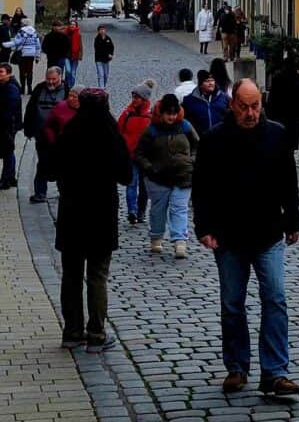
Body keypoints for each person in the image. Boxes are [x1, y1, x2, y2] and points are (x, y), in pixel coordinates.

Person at [192, 79, 299, 396]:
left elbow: (288, 182)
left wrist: (292, 219)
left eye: (256, 106)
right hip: (228, 236)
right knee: (232, 305)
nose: (251, 113)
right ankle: (237, 367)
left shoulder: (276, 135)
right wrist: (204, 227)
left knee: (276, 299)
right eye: (245, 107)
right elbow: (203, 189)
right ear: (232, 104)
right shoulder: (214, 140)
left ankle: (275, 372)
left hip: (268, 233)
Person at [50, 87, 132, 352]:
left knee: (71, 275)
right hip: (100, 213)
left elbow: (50, 169)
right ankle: (96, 333)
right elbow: (126, 175)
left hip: (72, 212)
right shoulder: (109, 133)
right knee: (97, 275)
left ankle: (72, 331)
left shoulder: (70, 132)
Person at [134, 94, 198, 258]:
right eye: (168, 113)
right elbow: (139, 153)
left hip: (183, 175)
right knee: (158, 209)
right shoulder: (152, 130)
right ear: (161, 113)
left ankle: (180, 241)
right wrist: (149, 167)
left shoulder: (185, 126)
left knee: (179, 208)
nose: (171, 117)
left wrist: (191, 161)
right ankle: (156, 237)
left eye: (174, 113)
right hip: (158, 178)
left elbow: (197, 145)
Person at [23, 66, 68, 203]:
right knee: (42, 164)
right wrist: (28, 128)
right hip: (42, 136)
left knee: (62, 165)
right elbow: (30, 109)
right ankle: (40, 193)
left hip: (61, 138)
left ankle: (64, 192)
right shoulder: (39, 89)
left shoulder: (67, 91)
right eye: (48, 79)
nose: (51, 82)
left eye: (53, 79)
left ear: (60, 77)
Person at [117, 80, 156, 225]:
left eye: (137, 97)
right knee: (131, 184)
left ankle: (141, 212)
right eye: (133, 97)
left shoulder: (151, 117)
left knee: (144, 188)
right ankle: (131, 211)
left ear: (144, 99)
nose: (134, 100)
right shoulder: (127, 114)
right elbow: (119, 131)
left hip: (145, 158)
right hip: (130, 156)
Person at [267, 55, 299, 152]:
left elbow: (272, 99)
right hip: (294, 117)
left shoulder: (277, 79)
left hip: (279, 115)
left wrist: (270, 115)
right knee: (291, 145)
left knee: (279, 142)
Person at [182, 72, 229, 137]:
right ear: (200, 84)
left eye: (212, 80)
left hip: (221, 138)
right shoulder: (189, 100)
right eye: (207, 81)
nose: (211, 83)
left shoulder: (224, 97)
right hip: (200, 139)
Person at [3, 17, 41, 95]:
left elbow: (16, 42)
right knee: (30, 71)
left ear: (23, 24)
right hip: (31, 54)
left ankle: (23, 88)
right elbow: (38, 45)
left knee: (22, 71)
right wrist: (37, 56)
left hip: (23, 53)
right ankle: (30, 88)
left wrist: (4, 44)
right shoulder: (34, 32)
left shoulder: (21, 31)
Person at [0, 62, 22, 190]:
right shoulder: (3, 86)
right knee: (8, 151)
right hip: (5, 125)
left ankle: (6, 180)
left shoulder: (11, 88)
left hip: (8, 126)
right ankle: (11, 177)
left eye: (1, 72)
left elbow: (10, 109)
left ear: (8, 74)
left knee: (7, 152)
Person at [64, 18, 83, 88]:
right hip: (66, 56)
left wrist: (80, 56)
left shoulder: (78, 35)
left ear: (76, 26)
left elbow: (80, 46)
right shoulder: (65, 33)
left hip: (75, 56)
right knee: (68, 71)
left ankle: (70, 86)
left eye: (74, 25)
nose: (72, 26)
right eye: (71, 24)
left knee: (73, 73)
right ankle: (67, 85)